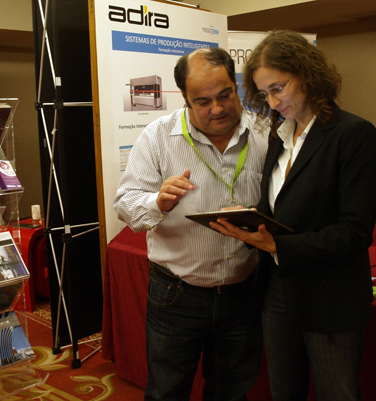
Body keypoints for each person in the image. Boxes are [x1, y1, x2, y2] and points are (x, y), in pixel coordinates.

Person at [210, 30, 376, 400]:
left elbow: (355, 232)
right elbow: (279, 208)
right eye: (264, 94)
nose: (273, 103)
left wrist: (279, 246)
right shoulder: (280, 136)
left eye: (278, 88)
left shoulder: (353, 134)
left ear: (307, 75)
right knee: (284, 392)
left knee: (337, 394)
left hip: (330, 298)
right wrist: (248, 217)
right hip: (278, 290)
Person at [113, 47, 268, 401]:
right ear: (185, 98)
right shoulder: (157, 137)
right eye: (203, 101)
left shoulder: (265, 132)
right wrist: (157, 202)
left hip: (244, 291)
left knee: (232, 392)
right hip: (177, 294)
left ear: (236, 85)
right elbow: (125, 205)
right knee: (167, 391)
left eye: (225, 95)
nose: (217, 108)